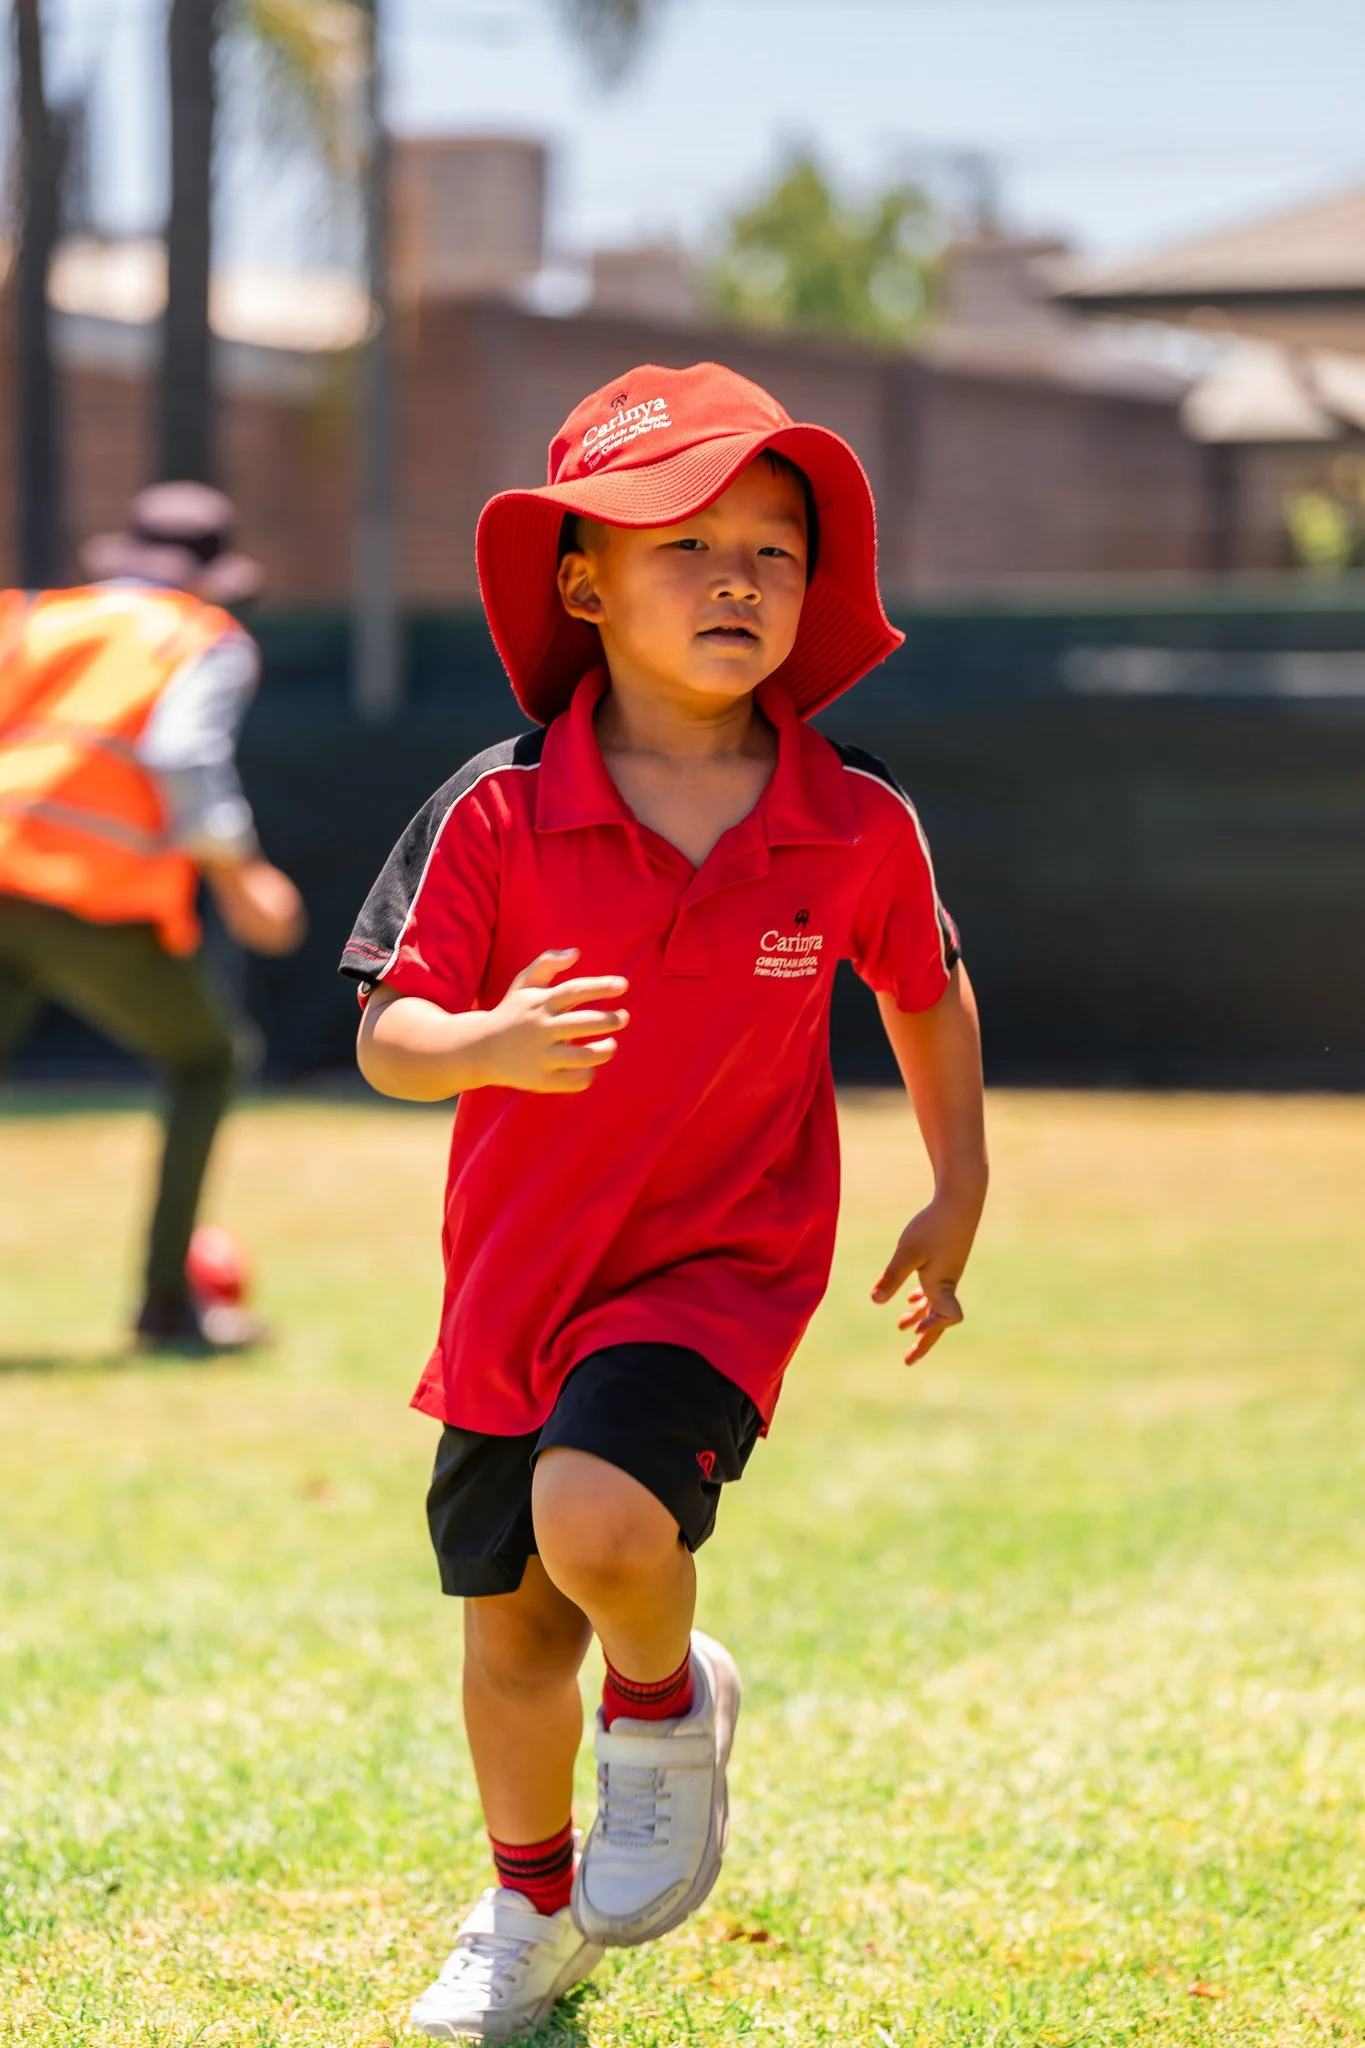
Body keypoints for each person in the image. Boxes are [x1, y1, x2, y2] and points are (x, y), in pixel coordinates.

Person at [342, 362, 988, 2040]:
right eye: (685, 542)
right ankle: (528, 1908)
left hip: (720, 1264)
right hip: (512, 1289)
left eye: (773, 551)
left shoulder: (853, 822)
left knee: (601, 1524)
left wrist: (958, 1180)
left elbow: (923, 987)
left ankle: (662, 1698)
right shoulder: (492, 807)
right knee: (510, 1634)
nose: (736, 580)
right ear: (584, 581)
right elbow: (390, 1037)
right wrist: (480, 1038)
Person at [0, 482, 305, 1350]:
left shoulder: (26, 617)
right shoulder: (201, 635)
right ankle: (167, 1304)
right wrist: (242, 875)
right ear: (212, 574)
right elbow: (181, 752)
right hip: (87, 896)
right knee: (209, 1059)